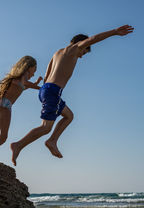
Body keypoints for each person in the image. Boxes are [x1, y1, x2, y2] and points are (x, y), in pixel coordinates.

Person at [10, 25, 134, 166]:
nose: (81, 56)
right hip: (53, 91)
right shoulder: (74, 49)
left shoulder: (57, 53)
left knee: (69, 116)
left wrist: (47, 90)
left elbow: (46, 74)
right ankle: (19, 145)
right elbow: (94, 39)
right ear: (80, 44)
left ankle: (52, 141)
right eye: (84, 52)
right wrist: (114, 32)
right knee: (46, 127)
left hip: (47, 89)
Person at [0, 56, 42, 162]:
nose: (33, 74)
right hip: (5, 105)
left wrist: (36, 84)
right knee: (2, 137)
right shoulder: (23, 76)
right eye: (34, 70)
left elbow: (24, 86)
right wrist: (41, 88)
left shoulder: (18, 78)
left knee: (0, 137)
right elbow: (25, 84)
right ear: (29, 67)